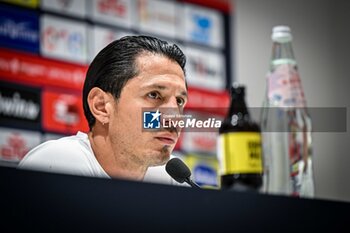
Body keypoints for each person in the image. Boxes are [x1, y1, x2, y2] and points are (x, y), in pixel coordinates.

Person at [18, 35, 188, 185]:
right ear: (101, 107)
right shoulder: (57, 163)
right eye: (154, 95)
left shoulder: (173, 177)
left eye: (179, 101)